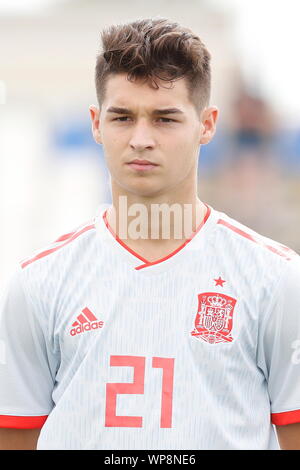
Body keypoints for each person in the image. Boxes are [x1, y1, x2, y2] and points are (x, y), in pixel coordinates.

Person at [0, 17, 300, 451]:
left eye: (165, 119)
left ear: (207, 124)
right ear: (96, 123)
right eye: (122, 117)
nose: (141, 138)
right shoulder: (39, 282)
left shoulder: (277, 279)